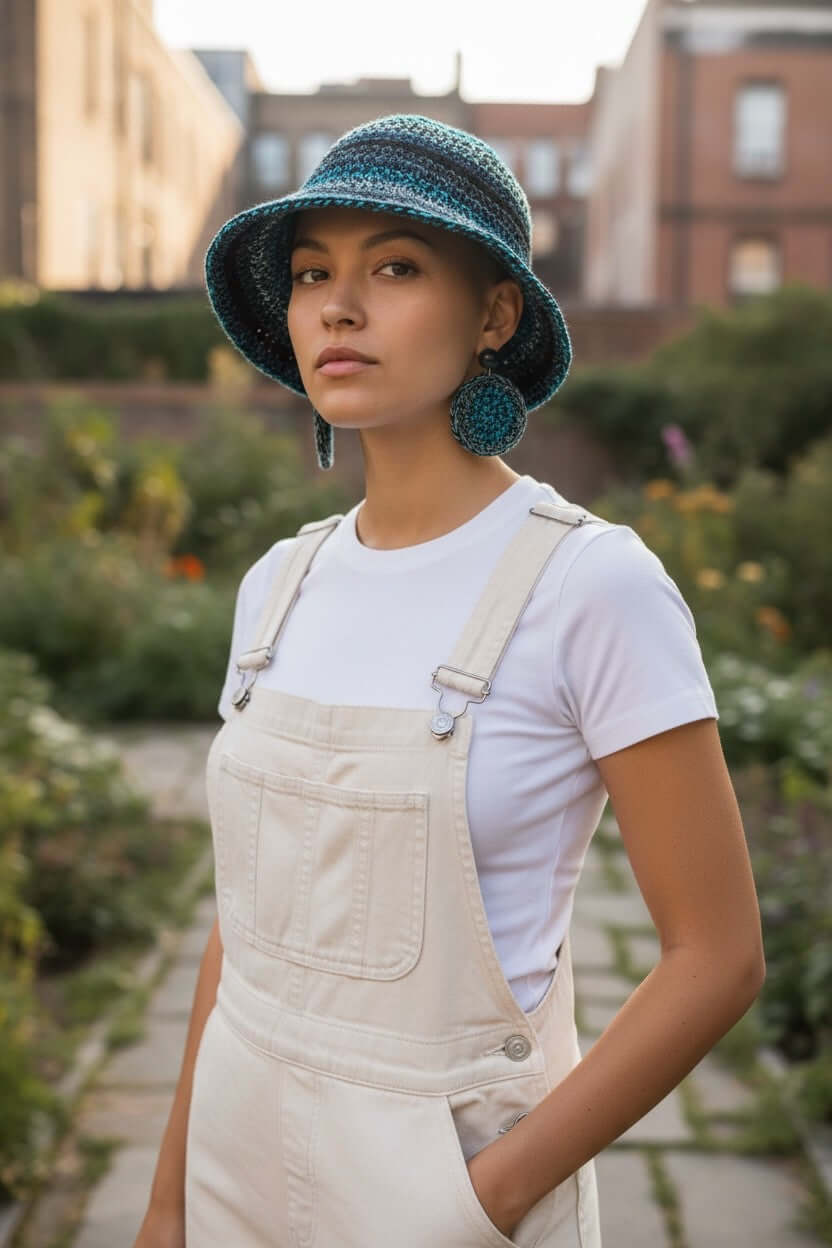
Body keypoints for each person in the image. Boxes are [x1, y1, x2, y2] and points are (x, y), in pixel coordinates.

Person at [134, 114, 765, 1248]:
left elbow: (716, 958)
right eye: (313, 272)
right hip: (231, 1159)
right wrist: (171, 1198)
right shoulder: (278, 587)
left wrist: (486, 1200)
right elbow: (246, 924)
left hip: (440, 1197)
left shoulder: (591, 586)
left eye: (395, 266)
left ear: (494, 314)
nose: (338, 304)